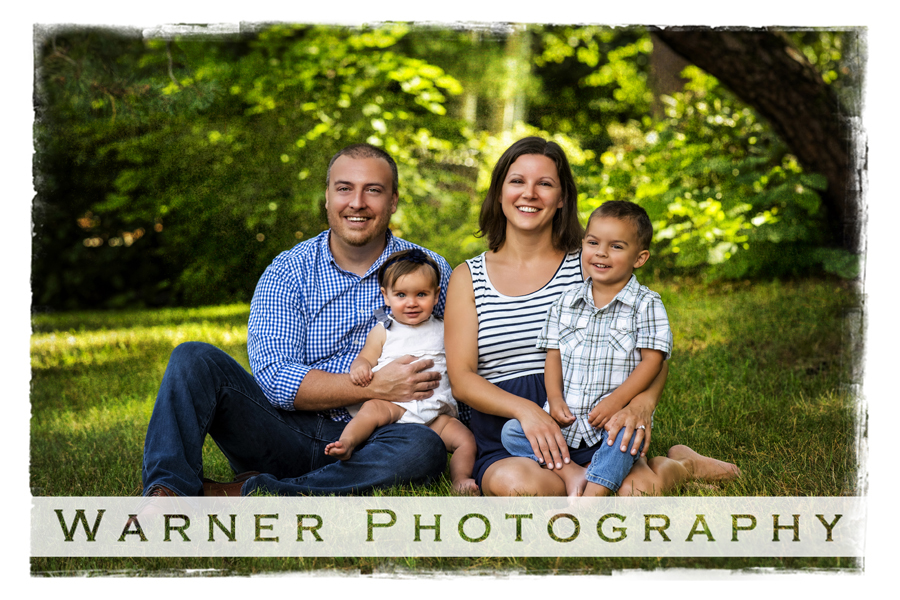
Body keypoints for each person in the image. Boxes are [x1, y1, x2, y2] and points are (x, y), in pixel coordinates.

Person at [141, 143, 451, 497]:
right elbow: (275, 378)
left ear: (393, 201)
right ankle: (167, 491)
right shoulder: (288, 270)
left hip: (377, 434)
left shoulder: (430, 269)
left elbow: (463, 357)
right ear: (327, 197)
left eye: (374, 190)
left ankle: (257, 492)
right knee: (193, 358)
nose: (357, 202)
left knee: (423, 447)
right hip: (282, 432)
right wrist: (376, 386)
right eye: (344, 188)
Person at [444, 136, 740, 497]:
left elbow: (651, 349)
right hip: (511, 427)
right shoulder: (468, 276)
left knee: (638, 494)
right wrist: (528, 411)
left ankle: (680, 464)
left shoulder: (590, 260)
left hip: (591, 417)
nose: (530, 193)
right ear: (500, 191)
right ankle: (578, 480)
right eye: (517, 181)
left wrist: (641, 405)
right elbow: (461, 378)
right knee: (519, 488)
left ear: (562, 197)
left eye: (545, 184)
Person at [500, 201, 673, 497]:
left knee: (624, 439)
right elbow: (552, 355)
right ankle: (573, 472)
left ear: (640, 257)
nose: (601, 253)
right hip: (567, 422)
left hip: (611, 421)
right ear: (583, 245)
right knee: (513, 432)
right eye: (593, 242)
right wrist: (554, 399)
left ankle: (594, 494)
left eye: (616, 247)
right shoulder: (565, 302)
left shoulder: (647, 304)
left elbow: (652, 362)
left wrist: (617, 402)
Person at [324, 248, 478, 495]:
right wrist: (360, 367)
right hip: (394, 407)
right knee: (371, 409)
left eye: (421, 294)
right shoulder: (384, 329)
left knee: (465, 440)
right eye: (401, 295)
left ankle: (460, 479)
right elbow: (365, 356)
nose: (411, 302)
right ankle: (348, 442)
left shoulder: (445, 328)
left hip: (435, 413)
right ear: (386, 296)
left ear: (437, 295)